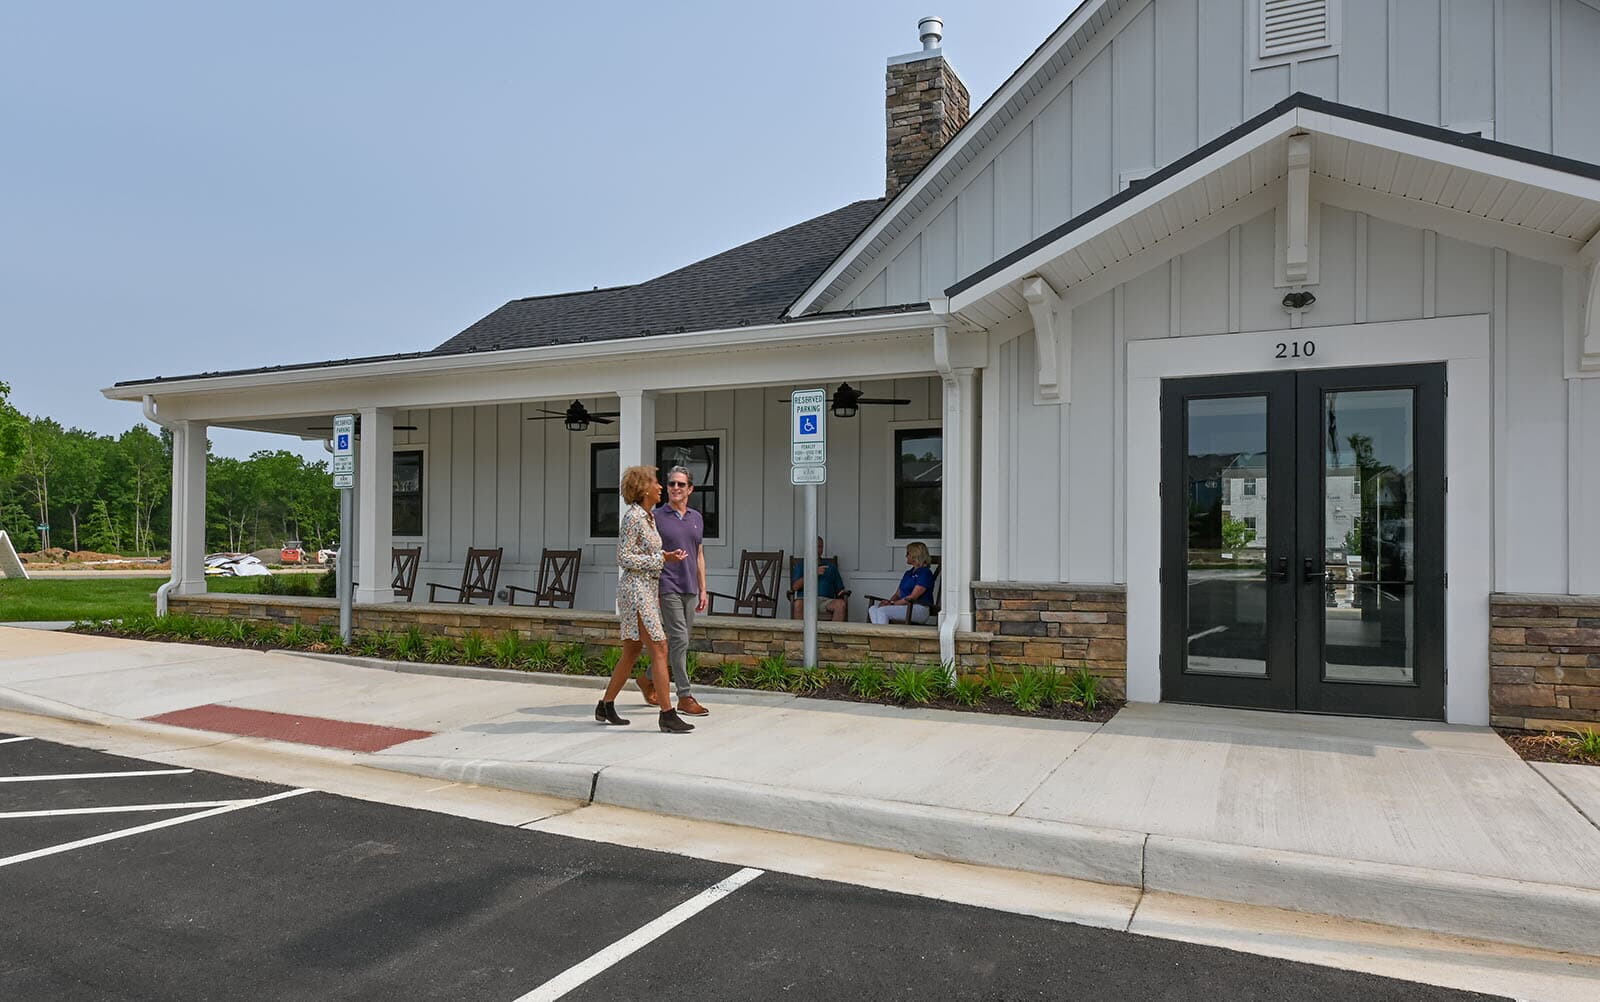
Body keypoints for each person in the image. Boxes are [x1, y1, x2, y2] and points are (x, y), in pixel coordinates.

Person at [596, 465, 695, 734]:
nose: (662, 486)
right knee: (661, 648)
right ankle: (667, 714)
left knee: (631, 651)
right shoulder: (634, 518)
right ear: (643, 488)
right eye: (655, 482)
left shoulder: (649, 517)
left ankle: (605, 704)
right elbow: (624, 558)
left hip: (647, 588)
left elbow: (644, 553)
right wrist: (659, 558)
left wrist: (666, 556)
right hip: (636, 590)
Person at [644, 465, 710, 715]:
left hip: (690, 588)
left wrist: (703, 589)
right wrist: (654, 590)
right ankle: (685, 696)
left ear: (690, 489)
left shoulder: (696, 517)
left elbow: (699, 554)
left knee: (678, 642)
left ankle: (647, 677)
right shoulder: (657, 517)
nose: (675, 488)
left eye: (681, 484)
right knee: (680, 640)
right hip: (667, 586)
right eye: (671, 484)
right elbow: (649, 553)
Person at [868, 541, 935, 625]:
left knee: (882, 611)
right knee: (873, 608)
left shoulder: (925, 573)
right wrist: (889, 602)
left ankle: (883, 636)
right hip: (903, 607)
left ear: (915, 555)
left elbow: (913, 597)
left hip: (918, 608)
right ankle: (883, 635)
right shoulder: (908, 573)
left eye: (908, 553)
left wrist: (892, 604)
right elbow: (897, 594)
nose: (906, 556)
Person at [790, 535, 847, 622]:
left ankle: (832, 635)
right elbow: (795, 587)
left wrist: (842, 592)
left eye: (820, 547)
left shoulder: (831, 567)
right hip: (806, 600)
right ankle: (800, 635)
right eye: (815, 546)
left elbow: (840, 590)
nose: (818, 549)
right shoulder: (801, 565)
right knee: (797, 604)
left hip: (825, 602)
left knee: (841, 604)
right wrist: (813, 573)